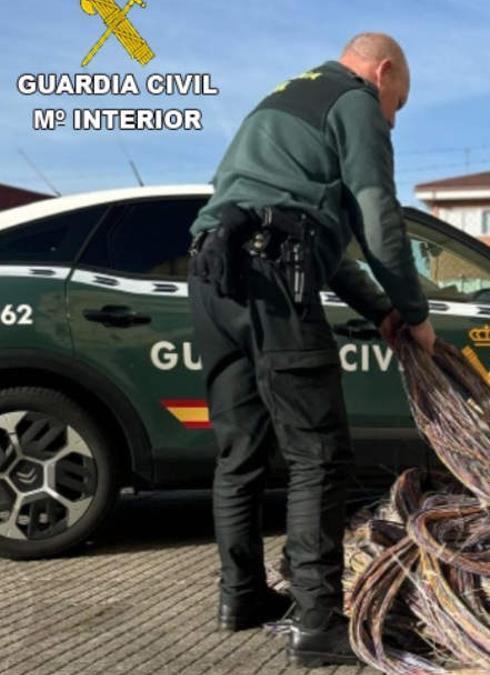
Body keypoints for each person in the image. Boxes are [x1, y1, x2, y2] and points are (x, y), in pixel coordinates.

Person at [186, 32, 436, 667]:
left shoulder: (285, 100)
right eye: (397, 105)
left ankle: (240, 598)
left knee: (239, 452)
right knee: (318, 455)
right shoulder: (353, 101)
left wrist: (378, 309)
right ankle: (319, 626)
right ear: (382, 73)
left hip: (214, 279)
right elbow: (379, 217)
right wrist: (414, 315)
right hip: (274, 279)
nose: (392, 121)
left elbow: (320, 243)